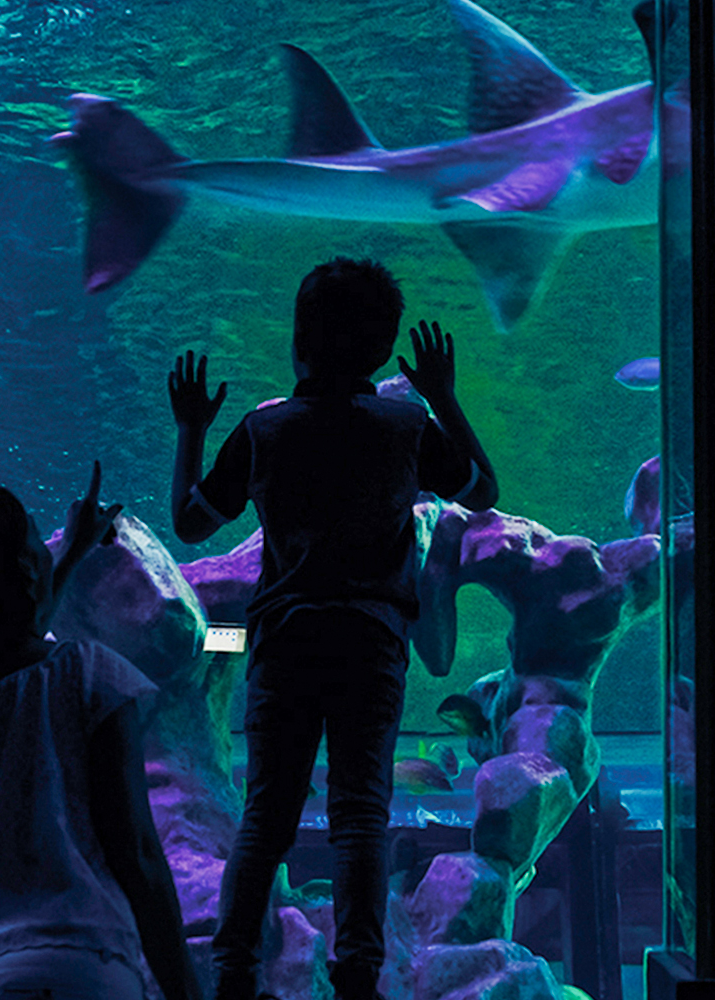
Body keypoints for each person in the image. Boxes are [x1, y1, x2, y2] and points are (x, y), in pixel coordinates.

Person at [169, 257, 498, 1000]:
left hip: (284, 642)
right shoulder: (407, 425)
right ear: (385, 354)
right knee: (358, 815)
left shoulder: (264, 429)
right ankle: (357, 974)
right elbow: (482, 491)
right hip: (372, 642)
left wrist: (190, 429)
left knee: (267, 815)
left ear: (299, 341)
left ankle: (231, 974)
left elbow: (191, 520)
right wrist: (444, 397)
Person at [0, 465, 203, 1000]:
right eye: (32, 539)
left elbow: (7, 649)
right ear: (26, 569)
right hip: (68, 966)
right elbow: (137, 854)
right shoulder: (92, 674)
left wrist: (71, 552)